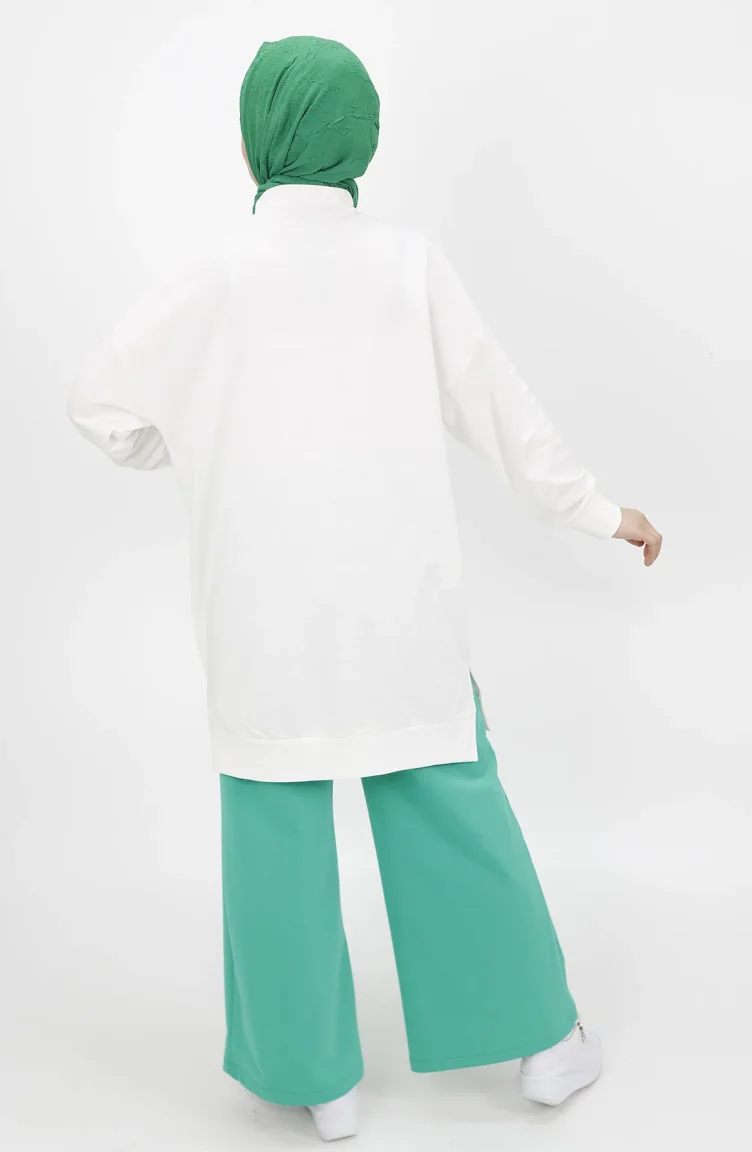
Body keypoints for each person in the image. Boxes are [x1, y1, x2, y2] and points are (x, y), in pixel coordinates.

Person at [68, 34, 662, 1143]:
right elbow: (504, 415)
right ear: (361, 138)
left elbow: (98, 402)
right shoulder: (407, 265)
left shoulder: (213, 276)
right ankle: (543, 1044)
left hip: (260, 624)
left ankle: (318, 1081)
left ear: (256, 138)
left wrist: (187, 440)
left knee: (273, 823)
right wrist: (597, 510)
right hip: (400, 616)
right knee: (449, 806)